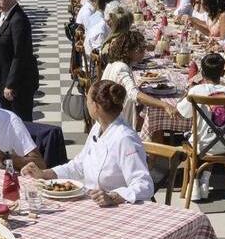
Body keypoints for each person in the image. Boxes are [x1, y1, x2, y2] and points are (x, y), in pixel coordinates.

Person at [22, 80, 154, 207]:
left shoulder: (125, 138)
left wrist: (113, 197)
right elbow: (79, 165)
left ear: (96, 107)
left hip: (120, 210)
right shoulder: (98, 127)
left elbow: (143, 185)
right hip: (92, 203)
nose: (86, 104)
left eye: (88, 100)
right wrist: (45, 174)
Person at [177, 53, 225, 199]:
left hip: (202, 145)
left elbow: (183, 113)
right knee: (214, 136)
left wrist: (188, 91)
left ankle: (194, 182)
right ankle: (205, 180)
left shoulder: (196, 91)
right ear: (223, 73)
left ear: (202, 73)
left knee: (194, 137)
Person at [102, 23, 179, 130]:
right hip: (118, 122)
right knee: (153, 118)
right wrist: (165, 105)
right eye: (140, 50)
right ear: (128, 52)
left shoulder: (113, 63)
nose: (144, 53)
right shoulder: (122, 68)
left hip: (110, 113)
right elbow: (135, 94)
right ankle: (154, 143)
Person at [0, 0, 38, 121]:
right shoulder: (3, 15)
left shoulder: (18, 20)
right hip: (3, 77)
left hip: (18, 84)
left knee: (21, 122)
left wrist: (10, 85)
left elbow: (20, 55)